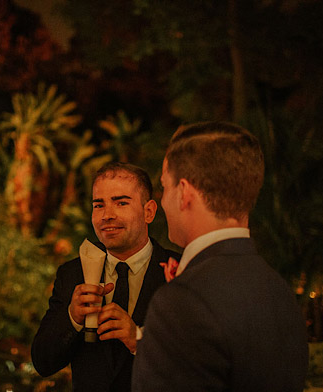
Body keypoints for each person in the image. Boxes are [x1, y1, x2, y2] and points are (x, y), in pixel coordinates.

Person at [132, 121, 308, 391]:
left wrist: (180, 298)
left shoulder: (182, 303)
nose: (163, 200)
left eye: (165, 187)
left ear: (184, 193)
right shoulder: (278, 291)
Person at [31, 162, 181, 392]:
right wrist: (72, 318)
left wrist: (139, 341)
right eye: (98, 205)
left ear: (148, 211)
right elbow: (43, 362)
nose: (107, 215)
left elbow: (202, 364)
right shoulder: (72, 274)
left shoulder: (182, 270)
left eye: (121, 203)